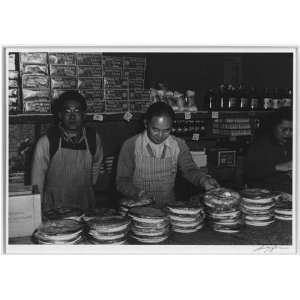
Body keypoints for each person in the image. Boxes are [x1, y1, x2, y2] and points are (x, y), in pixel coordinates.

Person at [116, 102, 219, 207]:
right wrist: (138, 193)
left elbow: (189, 169)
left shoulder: (178, 145)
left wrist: (203, 180)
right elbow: (122, 180)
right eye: (155, 130)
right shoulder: (131, 145)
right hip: (138, 209)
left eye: (166, 130)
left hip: (167, 207)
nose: (160, 136)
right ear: (146, 124)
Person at [31, 91, 103, 212]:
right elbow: (36, 182)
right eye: (67, 111)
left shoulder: (93, 138)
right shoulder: (47, 141)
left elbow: (97, 163)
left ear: (84, 114)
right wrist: (37, 211)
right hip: (54, 208)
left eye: (77, 111)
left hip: (85, 206)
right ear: (60, 115)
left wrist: (89, 186)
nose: (72, 116)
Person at [245, 107, 292, 193]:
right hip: (264, 193)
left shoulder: (292, 143)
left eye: (291, 130)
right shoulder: (260, 145)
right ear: (274, 127)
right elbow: (250, 174)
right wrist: (277, 167)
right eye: (284, 129)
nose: (288, 133)